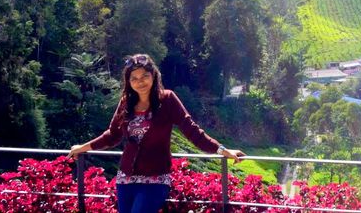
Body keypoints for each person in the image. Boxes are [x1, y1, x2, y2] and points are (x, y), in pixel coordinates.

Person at [69, 53, 244, 213]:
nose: (140, 81)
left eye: (145, 76)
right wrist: (82, 148)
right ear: (129, 82)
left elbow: (192, 131)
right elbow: (112, 135)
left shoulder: (167, 99)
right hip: (125, 179)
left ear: (154, 75)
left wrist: (222, 150)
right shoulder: (126, 103)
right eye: (134, 78)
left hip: (155, 178)